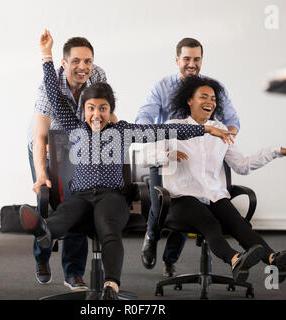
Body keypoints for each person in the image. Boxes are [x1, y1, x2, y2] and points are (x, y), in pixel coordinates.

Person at [19, 29, 238, 300]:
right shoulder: (74, 127)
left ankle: (111, 285)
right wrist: (45, 55)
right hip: (82, 196)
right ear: (83, 111)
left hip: (112, 197)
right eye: (90, 108)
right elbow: (53, 93)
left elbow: (167, 131)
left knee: (109, 231)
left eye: (102, 108)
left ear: (111, 111)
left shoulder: (123, 130)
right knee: (62, 217)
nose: (96, 114)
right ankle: (43, 230)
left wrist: (205, 130)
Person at [140, 76, 286, 282]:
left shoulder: (221, 131)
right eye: (203, 96)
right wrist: (166, 156)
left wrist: (276, 151)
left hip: (214, 195)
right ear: (189, 100)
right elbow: (144, 157)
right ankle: (234, 259)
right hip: (182, 198)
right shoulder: (172, 127)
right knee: (210, 225)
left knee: (239, 225)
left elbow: (243, 165)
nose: (210, 102)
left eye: (213, 98)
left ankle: (272, 258)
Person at [136, 38, 241, 277]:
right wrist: (159, 146)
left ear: (201, 60)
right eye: (186, 59)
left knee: (188, 205)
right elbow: (143, 118)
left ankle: (170, 259)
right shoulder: (162, 87)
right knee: (160, 203)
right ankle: (151, 236)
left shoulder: (211, 88)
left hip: (197, 157)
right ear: (177, 60)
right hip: (167, 155)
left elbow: (233, 120)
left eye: (196, 59)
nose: (191, 64)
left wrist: (228, 137)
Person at [27, 35, 114, 290]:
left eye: (87, 60)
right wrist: (42, 174)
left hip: (77, 147)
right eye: (76, 61)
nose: (82, 67)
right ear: (64, 63)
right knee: (45, 200)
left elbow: (104, 112)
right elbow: (40, 135)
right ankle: (42, 258)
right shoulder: (49, 86)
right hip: (46, 147)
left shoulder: (97, 76)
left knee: (78, 200)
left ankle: (73, 273)